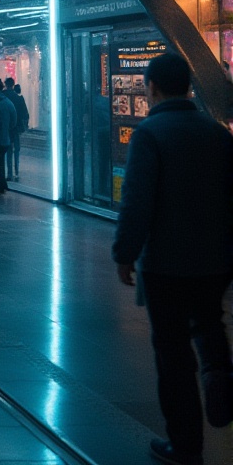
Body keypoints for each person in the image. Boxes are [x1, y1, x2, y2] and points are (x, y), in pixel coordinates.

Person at [113, 52, 233, 465]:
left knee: (173, 353)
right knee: (209, 322)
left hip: (166, 263)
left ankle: (185, 445)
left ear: (152, 88)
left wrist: (124, 254)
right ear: (189, 85)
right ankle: (219, 371)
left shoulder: (150, 133)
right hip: (215, 259)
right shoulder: (217, 132)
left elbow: (137, 202)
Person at [3, 77, 29, 182]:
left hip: (6, 127)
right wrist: (24, 125)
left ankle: (9, 173)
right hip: (17, 127)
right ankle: (16, 170)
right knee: (16, 149)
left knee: (8, 151)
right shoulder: (18, 98)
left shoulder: (3, 96)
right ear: (13, 85)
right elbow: (25, 113)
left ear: (6, 84)